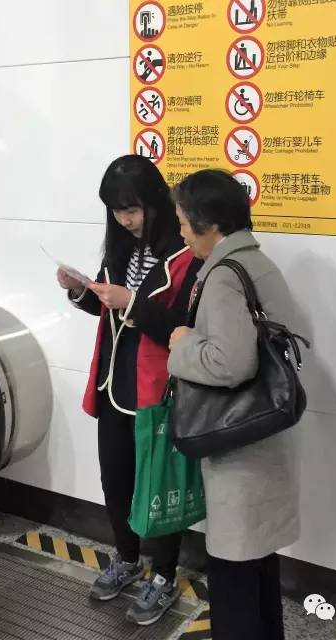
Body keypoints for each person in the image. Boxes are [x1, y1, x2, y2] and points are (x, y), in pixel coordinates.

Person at [56, 154, 201, 626]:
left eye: (132, 209)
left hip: (157, 388)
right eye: (117, 211)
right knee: (115, 479)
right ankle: (127, 558)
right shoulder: (119, 250)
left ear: (156, 202)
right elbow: (108, 309)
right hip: (114, 383)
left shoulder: (186, 254)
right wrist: (81, 291)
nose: (125, 219)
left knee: (157, 485)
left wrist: (132, 302)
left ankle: (163, 574)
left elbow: (183, 326)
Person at [168, 169, 301, 640]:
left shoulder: (224, 276)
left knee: (233, 575)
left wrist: (182, 344)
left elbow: (231, 364)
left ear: (208, 224)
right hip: (264, 436)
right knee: (258, 567)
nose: (182, 234)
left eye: (183, 223)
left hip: (238, 447)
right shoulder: (257, 263)